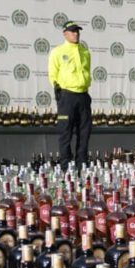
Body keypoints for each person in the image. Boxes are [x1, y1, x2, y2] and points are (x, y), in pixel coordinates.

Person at [48, 20, 92, 171]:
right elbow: (53, 74)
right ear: (65, 34)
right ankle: (65, 168)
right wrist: (58, 92)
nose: (76, 34)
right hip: (67, 96)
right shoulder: (58, 52)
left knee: (84, 132)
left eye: (77, 31)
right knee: (65, 132)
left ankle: (82, 166)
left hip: (83, 96)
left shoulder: (85, 52)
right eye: (72, 31)